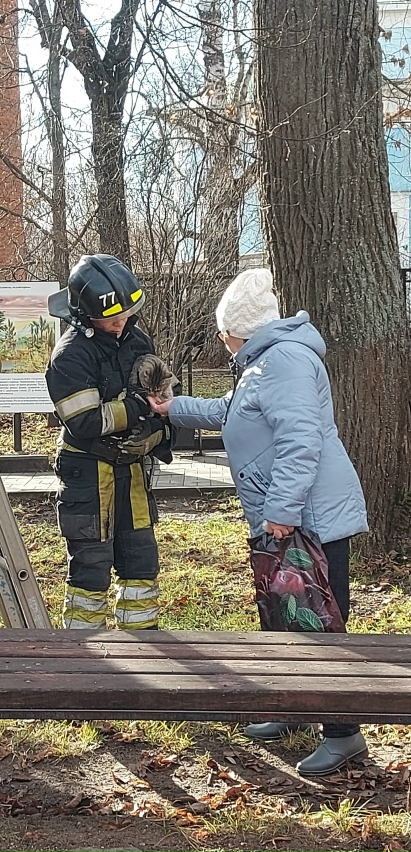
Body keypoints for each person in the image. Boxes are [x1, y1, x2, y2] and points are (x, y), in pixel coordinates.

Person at [148, 267, 369, 777]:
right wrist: (172, 408)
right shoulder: (264, 363)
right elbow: (232, 411)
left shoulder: (284, 361)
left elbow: (300, 442)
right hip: (292, 517)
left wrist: (282, 512)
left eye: (222, 331)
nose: (221, 340)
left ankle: (342, 732)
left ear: (236, 330)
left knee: (319, 620)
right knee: (286, 615)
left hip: (308, 518)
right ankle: (293, 709)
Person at [45, 254, 175, 631]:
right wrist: (136, 408)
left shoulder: (137, 339)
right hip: (88, 472)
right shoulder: (69, 357)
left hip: (131, 472)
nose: (121, 325)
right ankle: (86, 656)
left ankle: (145, 647)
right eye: (112, 318)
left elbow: (165, 396)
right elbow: (85, 422)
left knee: (141, 560)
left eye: (127, 316)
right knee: (91, 566)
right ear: (85, 315)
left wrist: (160, 431)